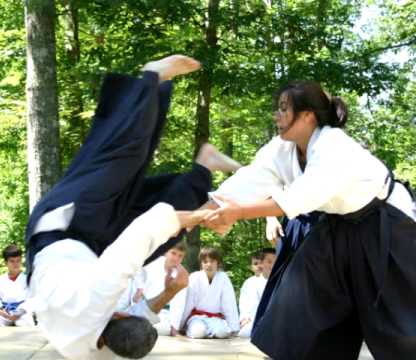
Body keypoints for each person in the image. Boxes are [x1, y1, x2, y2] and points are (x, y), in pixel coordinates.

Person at [25, 55, 241, 360]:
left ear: (121, 317)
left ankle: (149, 79)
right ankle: (204, 165)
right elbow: (139, 311)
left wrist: (199, 218)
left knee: (120, 159)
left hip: (62, 222)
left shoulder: (100, 296)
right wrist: (169, 291)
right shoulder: (102, 349)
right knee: (166, 229)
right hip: (92, 245)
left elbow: (143, 231)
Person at [202, 81, 416, 360]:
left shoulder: (333, 145)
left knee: (400, 324)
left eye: (283, 109)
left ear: (307, 116)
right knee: (304, 306)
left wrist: (237, 213)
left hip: (382, 226)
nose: (276, 116)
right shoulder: (281, 149)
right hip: (334, 228)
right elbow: (251, 179)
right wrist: (208, 208)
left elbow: (300, 197)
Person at [116, 242, 188, 336]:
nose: (176, 258)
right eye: (173, 253)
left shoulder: (181, 276)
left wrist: (174, 328)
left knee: (162, 329)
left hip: (159, 312)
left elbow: (179, 304)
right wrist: (140, 288)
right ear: (166, 252)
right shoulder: (152, 262)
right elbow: (137, 273)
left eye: (180, 256)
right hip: (135, 303)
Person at [172, 247, 239, 339]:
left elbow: (228, 304)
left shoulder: (223, 278)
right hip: (196, 317)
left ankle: (211, 331)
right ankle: (202, 331)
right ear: (201, 264)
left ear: (217, 262)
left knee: (222, 333)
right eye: (205, 261)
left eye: (212, 261)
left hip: (215, 318)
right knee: (198, 332)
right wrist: (180, 325)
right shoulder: (195, 277)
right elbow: (188, 303)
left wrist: (234, 328)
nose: (209, 264)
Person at [0, 245, 35, 327]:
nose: (16, 264)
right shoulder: (0, 280)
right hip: (5, 312)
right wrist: (0, 311)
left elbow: (32, 299)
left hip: (22, 312)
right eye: (12, 261)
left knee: (26, 324)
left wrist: (20, 312)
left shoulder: (27, 279)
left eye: (18, 261)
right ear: (6, 263)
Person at [238, 248, 275, 337]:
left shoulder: (283, 281)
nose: (273, 265)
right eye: (269, 262)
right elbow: (244, 302)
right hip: (255, 319)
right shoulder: (250, 282)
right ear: (261, 263)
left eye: (275, 261)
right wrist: (244, 317)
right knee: (245, 333)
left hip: (277, 320)